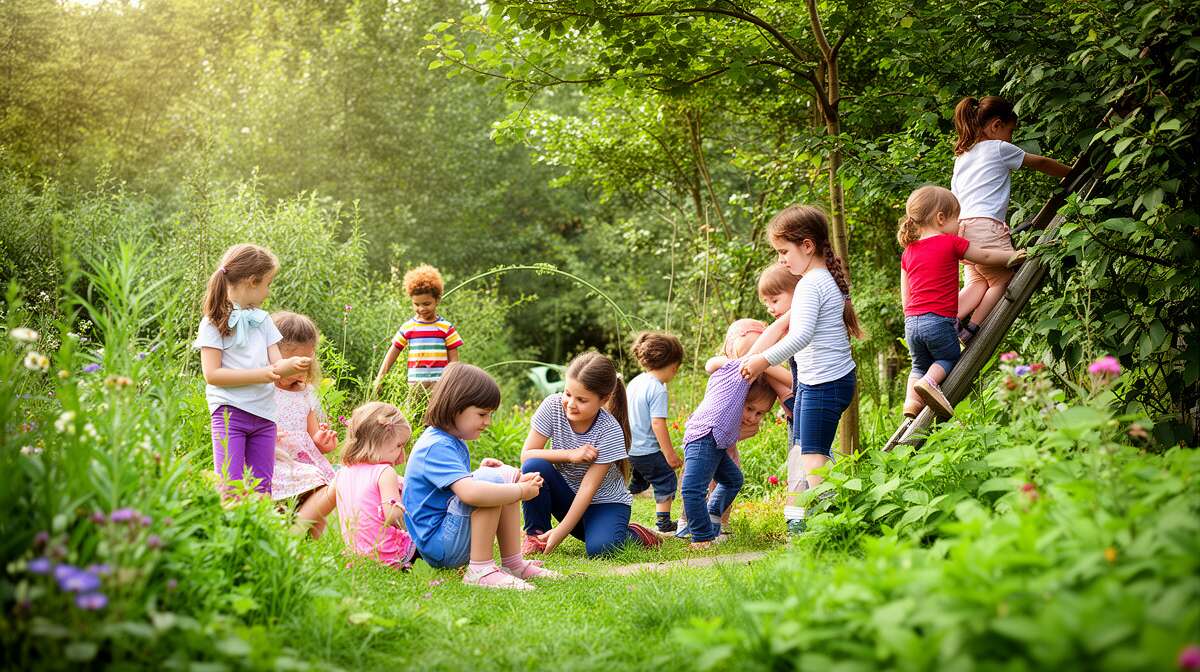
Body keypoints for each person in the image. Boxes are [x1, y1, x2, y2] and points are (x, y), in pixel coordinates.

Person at [740, 205, 864, 536]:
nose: (781, 260)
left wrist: (762, 360)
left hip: (825, 383)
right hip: (819, 382)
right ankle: (813, 520)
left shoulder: (812, 283)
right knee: (811, 452)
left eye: (784, 251)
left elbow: (801, 335)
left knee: (812, 456)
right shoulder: (822, 279)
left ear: (807, 246)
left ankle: (832, 526)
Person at [402, 363, 557, 589]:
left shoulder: (451, 441)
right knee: (490, 481)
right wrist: (521, 491)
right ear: (456, 408)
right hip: (440, 546)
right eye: (482, 414)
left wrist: (485, 473)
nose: (488, 422)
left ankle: (513, 564)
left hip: (447, 536)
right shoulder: (436, 446)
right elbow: (471, 494)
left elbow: (449, 490)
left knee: (499, 475)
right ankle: (480, 570)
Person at [897, 185, 1026, 418]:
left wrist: (912, 316)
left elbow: (905, 296)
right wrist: (1011, 256)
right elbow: (985, 256)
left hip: (911, 323)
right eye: (957, 219)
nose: (960, 225)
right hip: (938, 321)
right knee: (947, 357)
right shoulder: (951, 243)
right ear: (940, 218)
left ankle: (911, 404)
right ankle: (929, 383)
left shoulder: (908, 252)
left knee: (917, 365)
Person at [952, 95, 1071, 345]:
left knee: (977, 282)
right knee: (1002, 278)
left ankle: (948, 319)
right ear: (996, 125)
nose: (1011, 137)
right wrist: (1072, 173)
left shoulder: (962, 157)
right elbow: (1040, 161)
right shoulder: (998, 147)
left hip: (960, 230)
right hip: (986, 228)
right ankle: (971, 328)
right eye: (1010, 130)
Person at [520, 352, 661, 557]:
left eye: (581, 399)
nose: (570, 403)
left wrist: (560, 532)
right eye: (568, 394)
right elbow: (527, 455)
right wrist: (570, 455)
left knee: (601, 549)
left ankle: (635, 533)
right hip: (567, 497)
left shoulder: (610, 431)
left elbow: (588, 488)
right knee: (534, 466)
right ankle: (536, 537)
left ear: (603, 399)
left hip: (603, 503)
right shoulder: (552, 406)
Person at [195, 244, 309, 494]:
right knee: (230, 486)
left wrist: (291, 366)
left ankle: (258, 533)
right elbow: (212, 375)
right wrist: (264, 374)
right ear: (251, 281)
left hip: (264, 415)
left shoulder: (263, 320)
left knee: (262, 488)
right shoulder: (213, 322)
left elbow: (276, 365)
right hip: (229, 413)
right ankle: (228, 532)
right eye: (267, 283)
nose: (268, 292)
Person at [679, 319, 780, 549]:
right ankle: (701, 537)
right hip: (704, 436)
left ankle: (713, 511)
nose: (753, 417)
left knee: (733, 480)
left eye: (759, 414)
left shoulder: (745, 387)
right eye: (750, 409)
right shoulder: (738, 374)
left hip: (717, 442)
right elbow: (711, 363)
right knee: (692, 489)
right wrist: (785, 320)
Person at [270, 311, 338, 537]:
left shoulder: (306, 394)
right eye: (294, 364)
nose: (300, 370)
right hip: (275, 462)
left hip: (303, 464)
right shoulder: (263, 391)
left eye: (305, 364)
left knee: (319, 493)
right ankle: (287, 539)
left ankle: (311, 547)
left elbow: (313, 435)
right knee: (280, 512)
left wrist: (322, 441)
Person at [332, 402, 417, 569]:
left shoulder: (343, 472)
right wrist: (406, 501)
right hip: (386, 552)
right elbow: (392, 515)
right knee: (423, 537)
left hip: (358, 553)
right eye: (399, 445)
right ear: (378, 441)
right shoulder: (385, 472)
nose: (402, 454)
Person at [625, 331, 685, 534]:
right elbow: (658, 424)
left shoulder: (635, 382)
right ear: (673, 366)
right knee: (666, 480)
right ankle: (664, 524)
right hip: (646, 450)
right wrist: (670, 456)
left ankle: (624, 495)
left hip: (631, 449)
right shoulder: (658, 388)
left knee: (640, 481)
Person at [373, 264, 463, 391]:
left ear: (437, 300)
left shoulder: (446, 328)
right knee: (414, 411)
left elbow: (454, 359)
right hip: (415, 386)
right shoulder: (408, 327)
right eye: (416, 304)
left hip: (440, 385)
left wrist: (452, 380)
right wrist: (380, 377)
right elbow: (393, 351)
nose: (421, 309)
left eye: (427, 304)